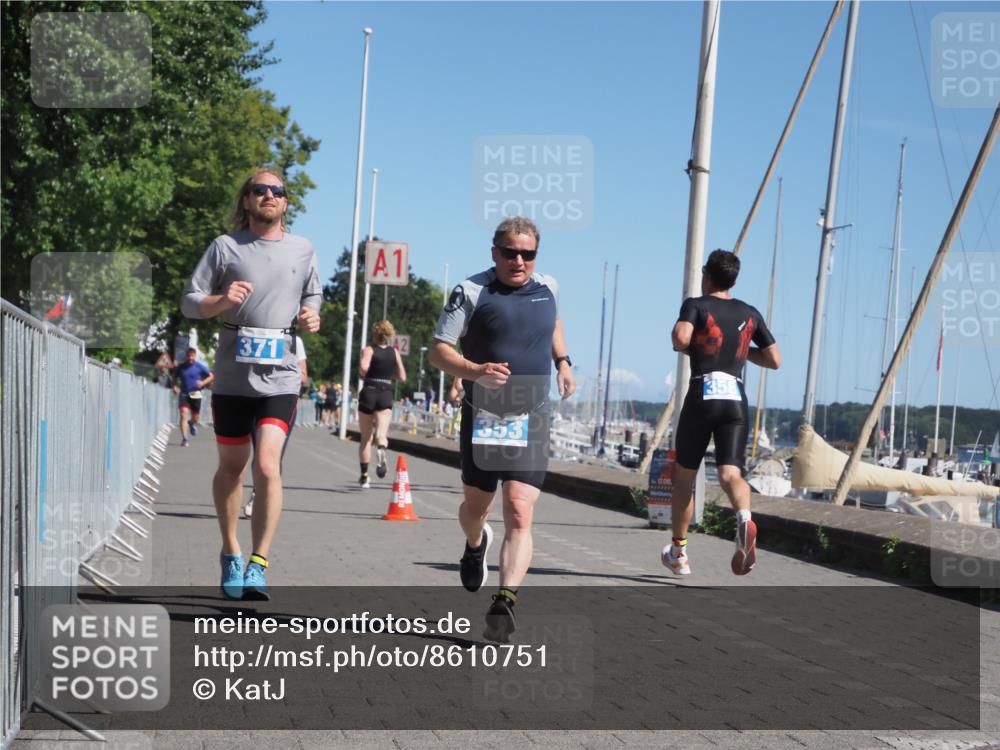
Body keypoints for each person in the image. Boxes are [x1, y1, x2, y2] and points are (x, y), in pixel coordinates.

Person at [430, 216, 575, 643]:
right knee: (476, 509)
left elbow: (554, 322)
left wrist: (563, 361)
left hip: (531, 414)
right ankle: (476, 545)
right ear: (493, 252)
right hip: (486, 414)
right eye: (510, 252)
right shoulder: (472, 291)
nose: (518, 260)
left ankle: (505, 601)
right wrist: (474, 370)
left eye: (527, 254)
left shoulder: (548, 287)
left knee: (519, 510)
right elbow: (439, 351)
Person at [181, 167, 321, 601]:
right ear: (246, 200)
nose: (268, 196)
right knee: (232, 467)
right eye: (259, 190)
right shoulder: (225, 248)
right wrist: (223, 301)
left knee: (267, 466)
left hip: (280, 375)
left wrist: (312, 316)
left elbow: (312, 295)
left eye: (276, 191)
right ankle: (230, 551)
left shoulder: (302, 249)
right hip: (232, 377)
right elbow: (190, 302)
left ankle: (259, 562)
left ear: (285, 202)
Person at [663, 249, 780, 578]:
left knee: (684, 476)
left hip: (704, 393)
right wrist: (742, 352)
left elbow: (680, 336)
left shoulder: (696, 304)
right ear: (733, 279)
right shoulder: (750, 312)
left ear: (706, 274)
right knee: (731, 473)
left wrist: (689, 347)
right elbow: (774, 359)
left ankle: (679, 553)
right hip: (736, 398)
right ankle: (744, 518)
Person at [357, 320, 406, 488]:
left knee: (365, 437)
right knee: (381, 434)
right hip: (385, 391)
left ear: (374, 334)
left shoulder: (369, 350)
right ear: (389, 335)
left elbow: (364, 368)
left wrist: (365, 371)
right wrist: (389, 374)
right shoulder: (394, 352)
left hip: (369, 389)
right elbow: (402, 376)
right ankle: (382, 448)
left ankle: (364, 476)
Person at [173, 347, 214, 447]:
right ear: (186, 356)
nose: (190, 358)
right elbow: (174, 377)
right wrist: (174, 386)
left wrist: (203, 382)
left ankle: (191, 423)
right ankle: (184, 439)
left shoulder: (200, 367)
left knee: (196, 418)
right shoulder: (181, 367)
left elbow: (212, 376)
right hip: (184, 393)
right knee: (183, 414)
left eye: (192, 356)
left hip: (195, 393)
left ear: (195, 356)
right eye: (189, 356)